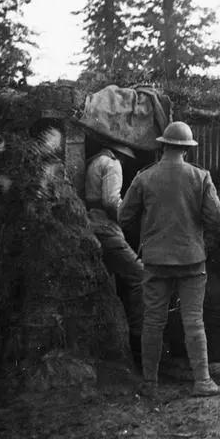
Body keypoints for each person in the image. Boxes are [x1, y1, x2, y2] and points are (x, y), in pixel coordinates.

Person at [119, 121, 220, 397]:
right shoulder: (200, 176)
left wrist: (150, 230)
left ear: (163, 145)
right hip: (191, 259)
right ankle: (202, 381)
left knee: (153, 320)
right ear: (186, 149)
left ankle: (150, 383)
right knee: (194, 320)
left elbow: (124, 216)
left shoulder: (144, 177)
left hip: (156, 260)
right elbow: (215, 217)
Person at [84, 140, 145, 357]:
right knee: (141, 276)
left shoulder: (96, 161)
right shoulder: (112, 164)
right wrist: (130, 216)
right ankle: (138, 339)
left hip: (93, 224)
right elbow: (111, 201)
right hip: (105, 228)